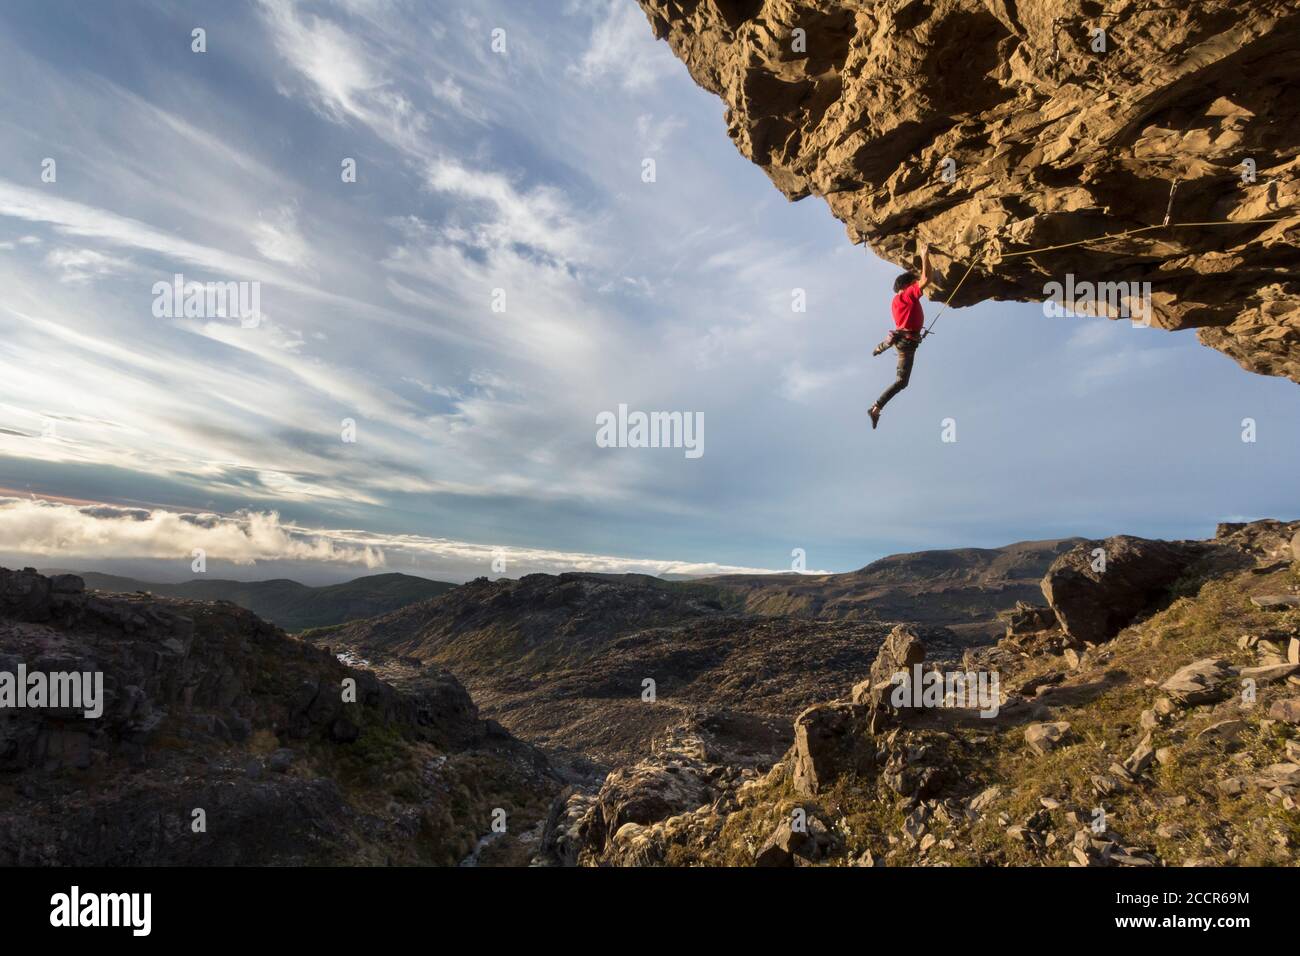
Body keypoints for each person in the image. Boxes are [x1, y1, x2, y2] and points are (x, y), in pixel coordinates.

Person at [869, 243, 931, 430]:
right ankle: (882, 346)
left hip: (905, 342)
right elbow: (926, 279)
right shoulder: (905, 296)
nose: (915, 285)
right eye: (913, 283)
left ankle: (876, 408)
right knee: (901, 382)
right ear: (905, 286)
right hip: (906, 342)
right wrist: (924, 255)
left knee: (902, 382)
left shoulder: (896, 300)